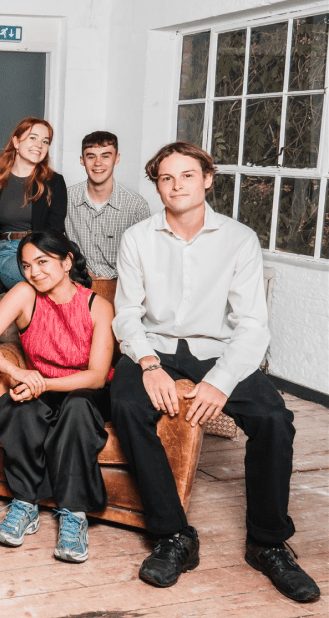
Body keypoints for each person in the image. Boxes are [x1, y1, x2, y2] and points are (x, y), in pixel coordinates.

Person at [110, 142, 319, 602]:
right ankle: (174, 537)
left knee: (272, 418)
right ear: (158, 186)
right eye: (166, 178)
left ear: (207, 179)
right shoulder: (138, 238)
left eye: (187, 175)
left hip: (217, 349)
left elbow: (251, 325)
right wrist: (148, 364)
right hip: (156, 347)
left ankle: (267, 541)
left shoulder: (238, 238)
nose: (177, 184)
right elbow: (126, 313)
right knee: (125, 404)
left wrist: (220, 382)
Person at [0, 230, 114, 563]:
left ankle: (73, 514)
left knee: (76, 408)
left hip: (84, 393)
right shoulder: (24, 294)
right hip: (38, 385)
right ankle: (25, 504)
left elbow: (95, 376)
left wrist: (45, 385)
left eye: (42, 262)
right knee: (16, 406)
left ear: (66, 262)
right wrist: (16, 373)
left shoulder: (98, 305)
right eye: (26, 265)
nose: (34, 272)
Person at [0, 117, 67, 294]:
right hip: (9, 252)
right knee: (40, 284)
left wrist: (47, 258)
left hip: (44, 250)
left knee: (66, 283)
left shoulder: (54, 182)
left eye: (45, 141)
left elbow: (56, 229)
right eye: (33, 138)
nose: (39, 145)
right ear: (16, 141)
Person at [64, 131, 150, 279]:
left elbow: (145, 256)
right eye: (91, 157)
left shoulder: (136, 206)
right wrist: (80, 273)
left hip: (121, 286)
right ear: (82, 160)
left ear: (117, 158)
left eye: (105, 156)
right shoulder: (66, 199)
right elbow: (56, 247)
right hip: (76, 284)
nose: (98, 163)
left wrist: (114, 278)